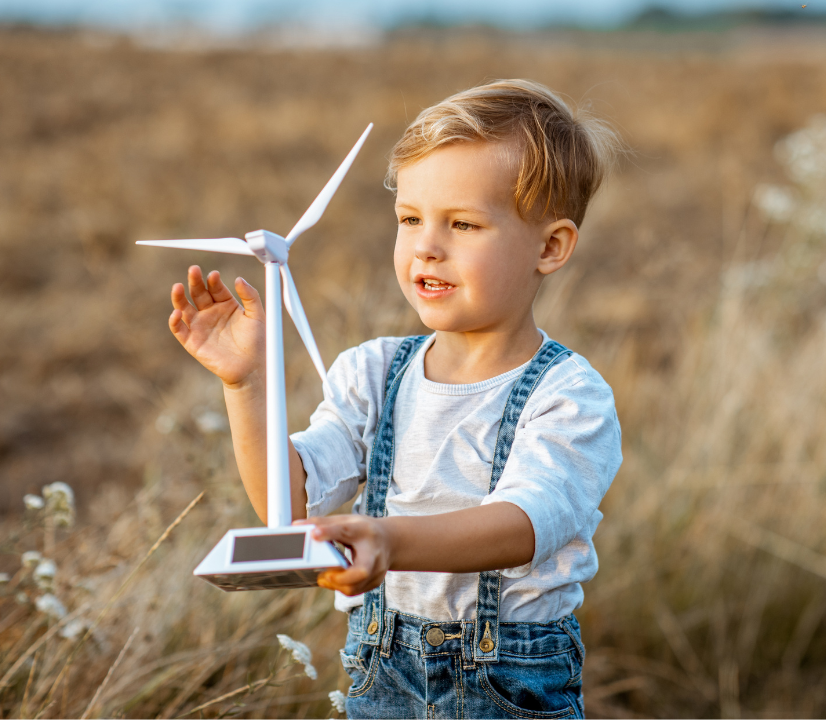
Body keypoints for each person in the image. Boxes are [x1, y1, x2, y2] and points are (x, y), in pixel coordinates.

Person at [164, 79, 623, 719]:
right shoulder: (373, 372)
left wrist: (389, 539)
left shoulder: (568, 394)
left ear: (550, 247)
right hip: (383, 668)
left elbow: (524, 524)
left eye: (463, 223)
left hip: (509, 681)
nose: (426, 246)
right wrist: (246, 385)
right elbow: (288, 504)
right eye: (410, 219)